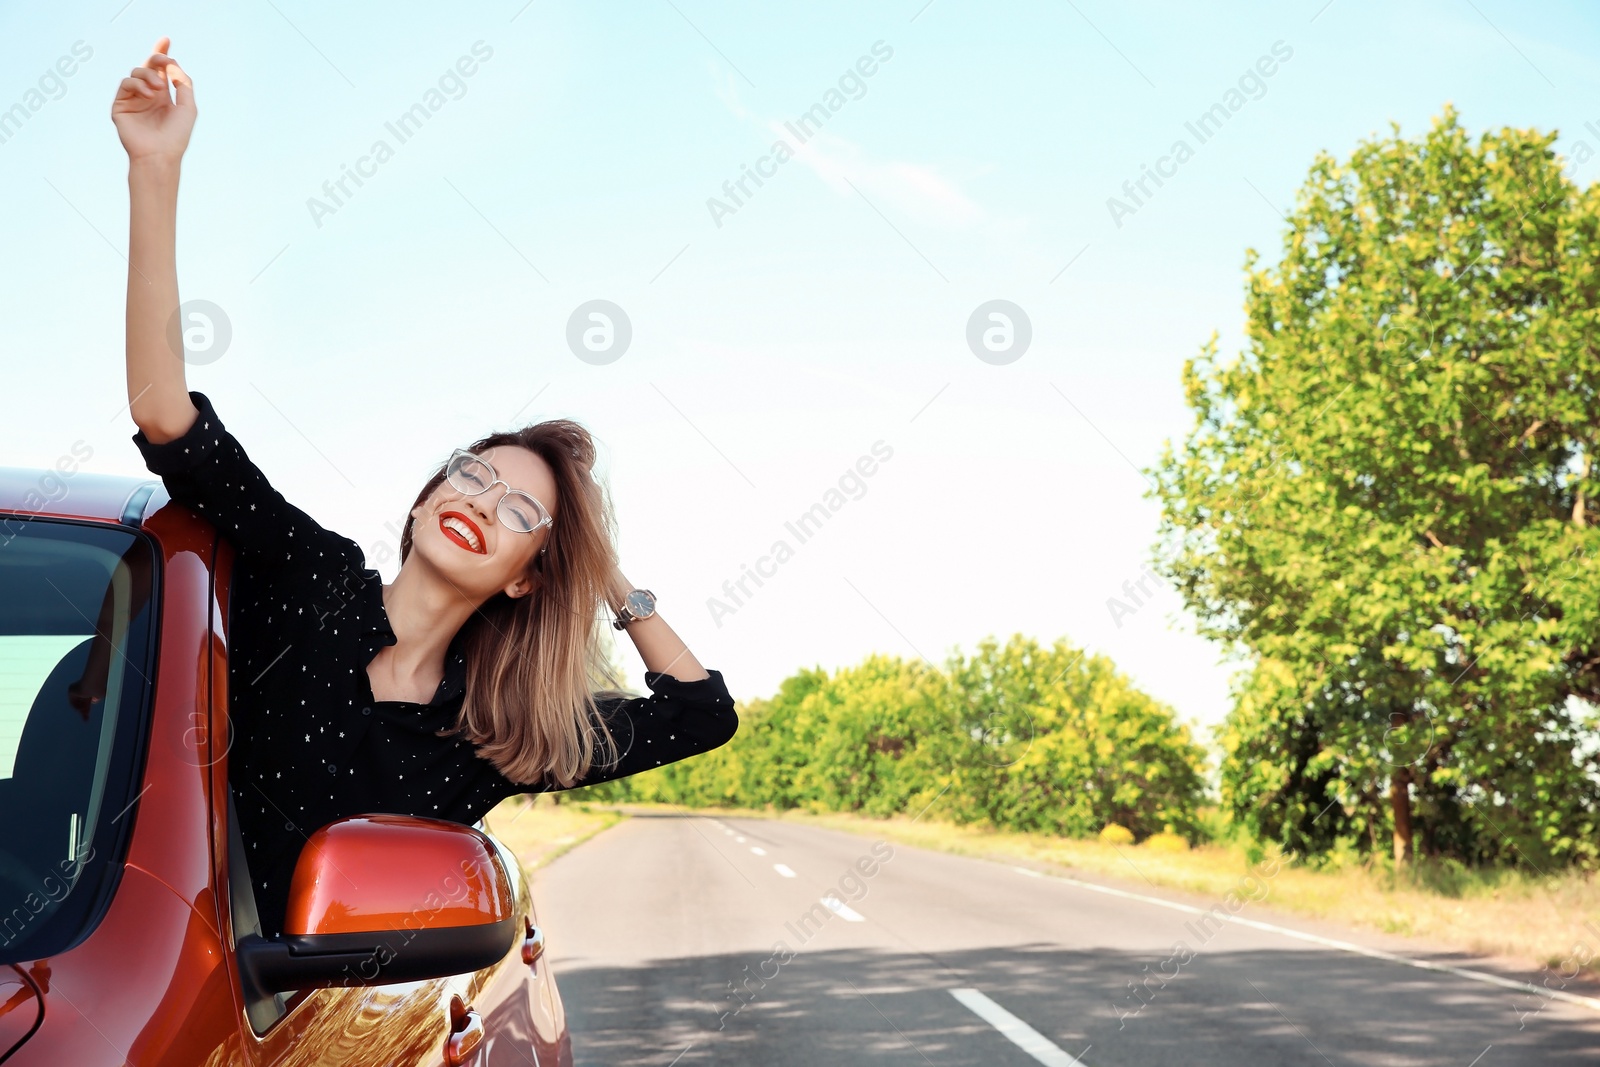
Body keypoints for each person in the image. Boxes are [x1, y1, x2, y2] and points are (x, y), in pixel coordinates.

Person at [112, 37, 738, 939]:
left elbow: (701, 714)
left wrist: (600, 570)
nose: (483, 500)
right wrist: (156, 169)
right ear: (421, 503)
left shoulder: (499, 735)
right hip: (155, 976)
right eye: (471, 474)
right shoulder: (311, 576)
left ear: (528, 575)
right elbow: (168, 417)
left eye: (519, 510)